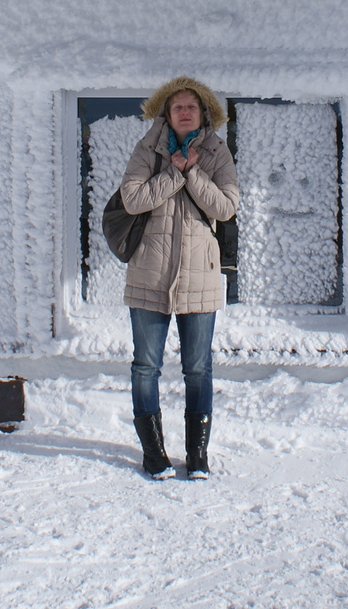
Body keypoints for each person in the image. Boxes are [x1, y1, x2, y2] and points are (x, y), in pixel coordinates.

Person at [118, 76, 239, 479]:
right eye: (177, 107)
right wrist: (173, 173)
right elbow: (133, 199)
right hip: (149, 273)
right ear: (166, 115)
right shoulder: (147, 149)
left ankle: (198, 456)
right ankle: (154, 454)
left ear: (203, 113)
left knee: (199, 368)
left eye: (192, 106)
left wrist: (193, 174)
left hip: (200, 276)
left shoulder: (217, 152)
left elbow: (225, 208)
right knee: (145, 367)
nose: (185, 112)